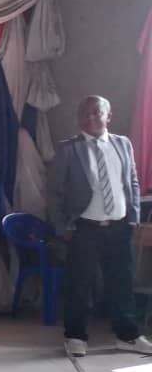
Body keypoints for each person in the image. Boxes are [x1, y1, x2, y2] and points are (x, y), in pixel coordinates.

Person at [47, 95, 152, 357]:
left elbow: (132, 181)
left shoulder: (122, 144)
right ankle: (75, 336)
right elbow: (54, 192)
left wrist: (133, 215)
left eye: (96, 112)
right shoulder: (69, 149)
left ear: (108, 116)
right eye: (84, 113)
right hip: (84, 228)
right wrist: (63, 227)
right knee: (79, 284)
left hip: (119, 226)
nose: (90, 118)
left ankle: (127, 335)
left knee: (122, 282)